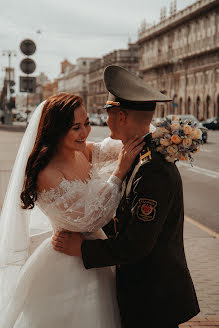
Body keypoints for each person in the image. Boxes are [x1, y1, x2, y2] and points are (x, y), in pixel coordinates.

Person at [53, 65, 200, 328]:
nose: (105, 121)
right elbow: (125, 218)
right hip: (150, 293)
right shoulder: (139, 154)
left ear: (121, 117)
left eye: (108, 115)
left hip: (154, 299)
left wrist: (83, 249)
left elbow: (137, 244)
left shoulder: (151, 168)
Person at [0, 93, 146, 327]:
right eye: (75, 127)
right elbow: (88, 220)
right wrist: (119, 172)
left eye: (86, 123)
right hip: (66, 262)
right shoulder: (46, 173)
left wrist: (156, 134)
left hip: (92, 256)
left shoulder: (82, 151)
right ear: (56, 129)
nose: (84, 133)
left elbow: (110, 147)